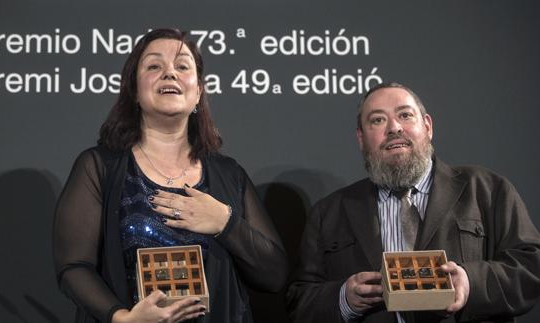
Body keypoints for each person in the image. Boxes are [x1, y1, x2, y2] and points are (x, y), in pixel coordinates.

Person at [53, 28, 288, 323]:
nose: (170, 74)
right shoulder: (100, 166)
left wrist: (225, 223)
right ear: (135, 91)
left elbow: (274, 276)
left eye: (182, 67)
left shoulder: (229, 174)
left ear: (198, 92)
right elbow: (74, 266)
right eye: (154, 66)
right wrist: (121, 318)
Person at [286, 82, 540, 322]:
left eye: (405, 115)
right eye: (377, 120)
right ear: (361, 139)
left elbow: (531, 267)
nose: (394, 127)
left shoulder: (487, 190)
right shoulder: (329, 212)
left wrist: (470, 282)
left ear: (428, 126)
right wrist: (344, 299)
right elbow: (300, 303)